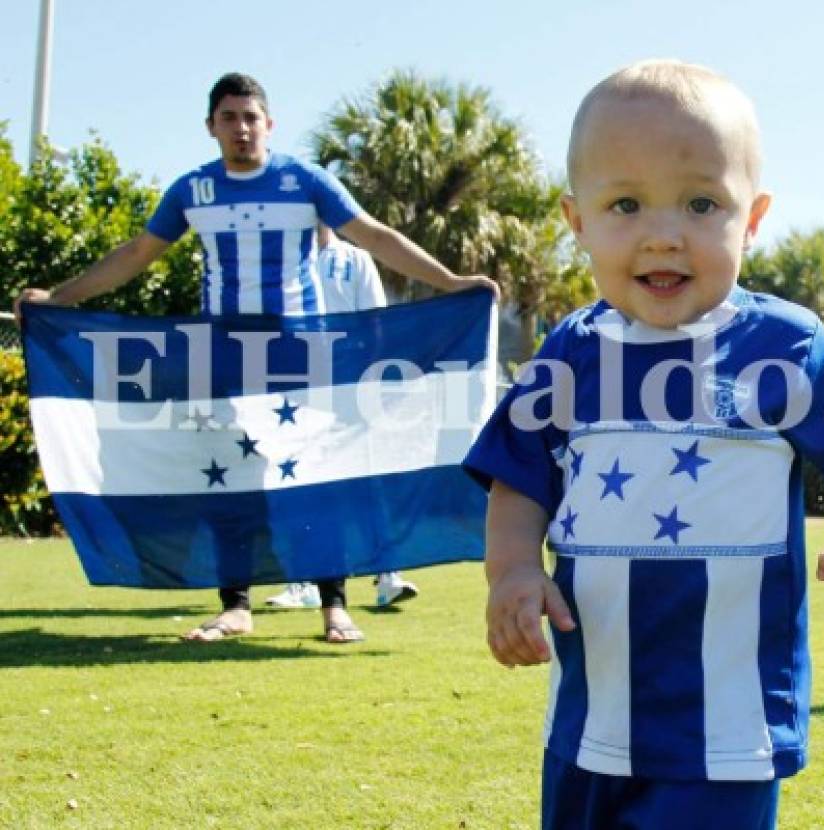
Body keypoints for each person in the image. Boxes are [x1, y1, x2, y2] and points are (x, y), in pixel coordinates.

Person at [462, 60, 824, 830]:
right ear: (577, 221)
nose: (664, 235)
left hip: (726, 732)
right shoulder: (572, 350)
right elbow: (520, 481)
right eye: (625, 205)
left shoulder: (783, 346)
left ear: (754, 217)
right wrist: (512, 574)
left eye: (702, 204)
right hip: (589, 724)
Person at [14, 72, 496, 644]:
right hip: (224, 353)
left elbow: (373, 234)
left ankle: (335, 606)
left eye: (250, 117)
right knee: (232, 477)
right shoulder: (193, 190)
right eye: (229, 119)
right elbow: (138, 253)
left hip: (303, 352)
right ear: (211, 128)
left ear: (269, 124)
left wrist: (447, 281)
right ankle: (235, 605)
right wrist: (60, 298)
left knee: (318, 472)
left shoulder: (304, 180)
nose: (241, 129)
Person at [263, 223, 420, 610]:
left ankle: (388, 575)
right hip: (295, 391)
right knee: (300, 482)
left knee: (366, 478)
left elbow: (376, 322)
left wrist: (373, 378)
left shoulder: (355, 260)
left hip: (349, 389)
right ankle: (303, 583)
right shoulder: (281, 264)